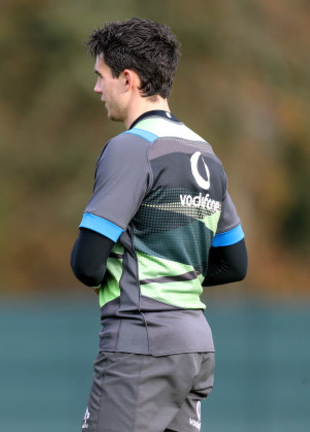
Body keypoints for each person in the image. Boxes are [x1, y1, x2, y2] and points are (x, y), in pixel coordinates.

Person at [70, 18, 248, 432]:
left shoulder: (131, 149)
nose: (98, 88)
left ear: (127, 79)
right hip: (196, 350)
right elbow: (235, 263)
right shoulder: (204, 152)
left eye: (101, 77)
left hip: (140, 348)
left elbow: (87, 264)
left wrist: (133, 275)